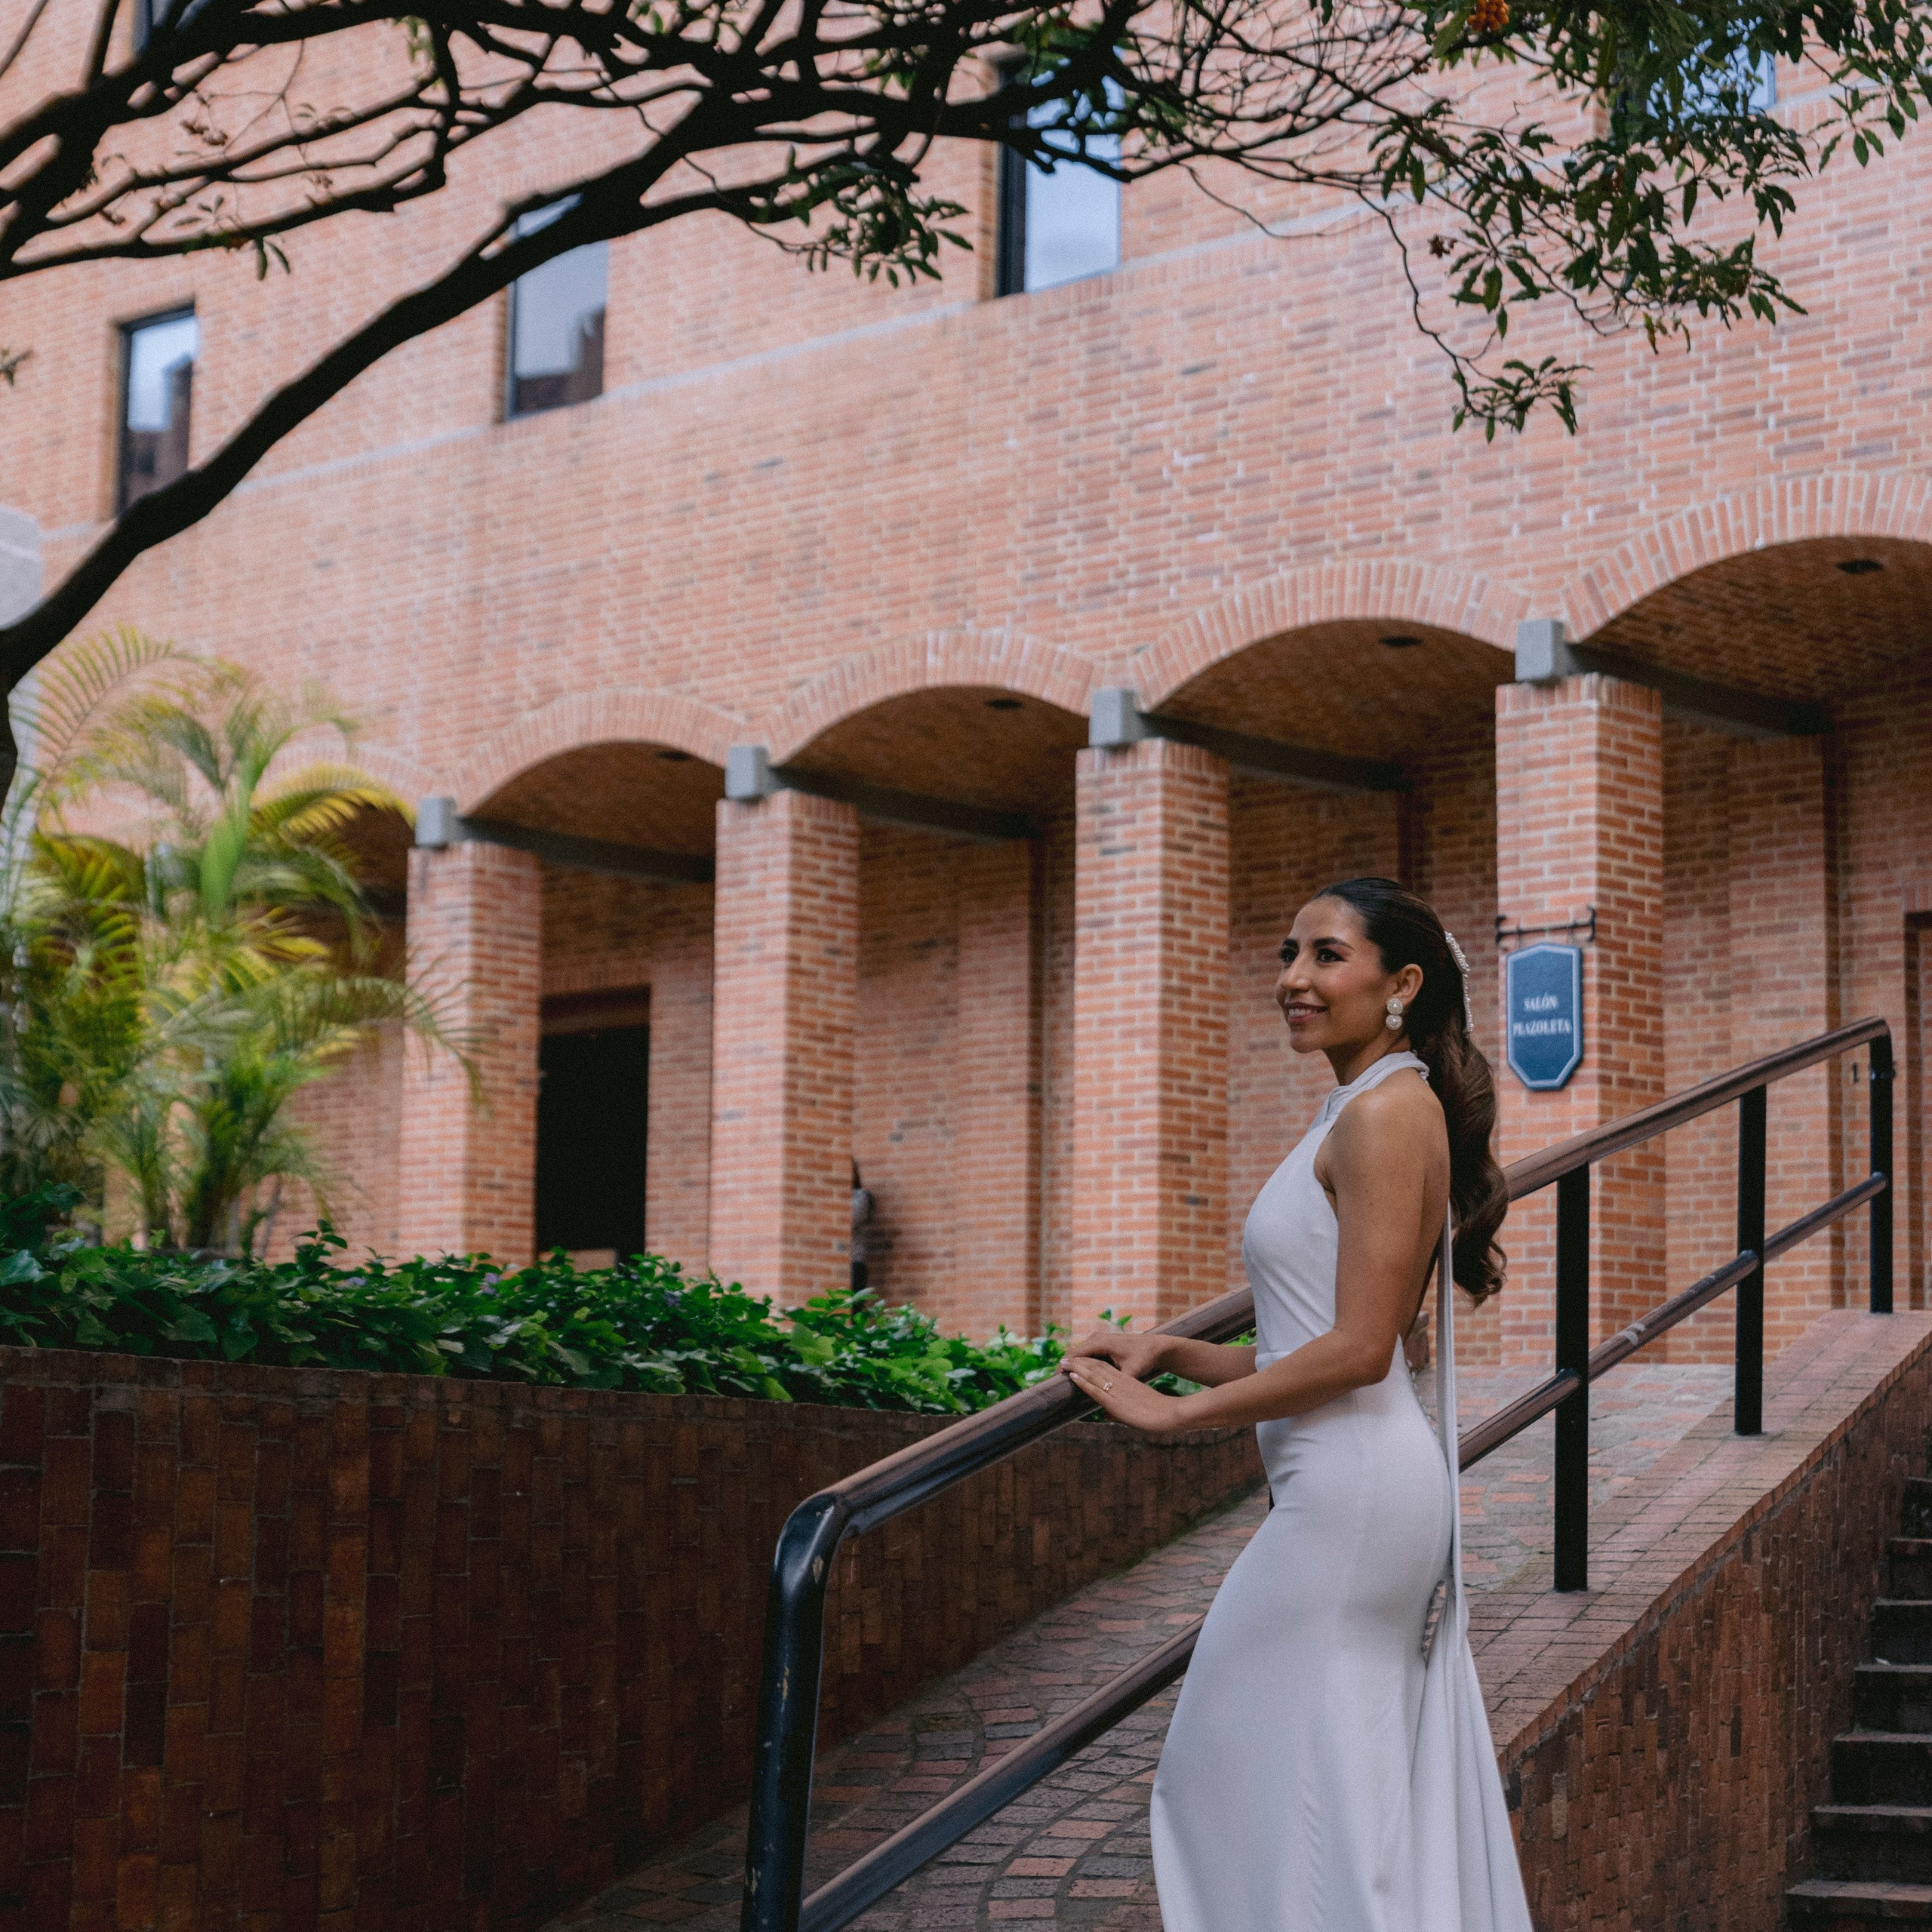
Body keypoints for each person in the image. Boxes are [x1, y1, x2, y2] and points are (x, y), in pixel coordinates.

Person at [1060, 876, 1532, 1931]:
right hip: (1345, 1489)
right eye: (1289, 955)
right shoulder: (1363, 1106)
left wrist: (1178, 1415)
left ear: (1400, 982)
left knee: (1241, 1773)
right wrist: (1170, 1348)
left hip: (1354, 1498)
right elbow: (1314, 1333)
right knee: (1312, 1785)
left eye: (1326, 956)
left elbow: (1365, 1351)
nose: (1293, 980)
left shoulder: (1385, 1116)